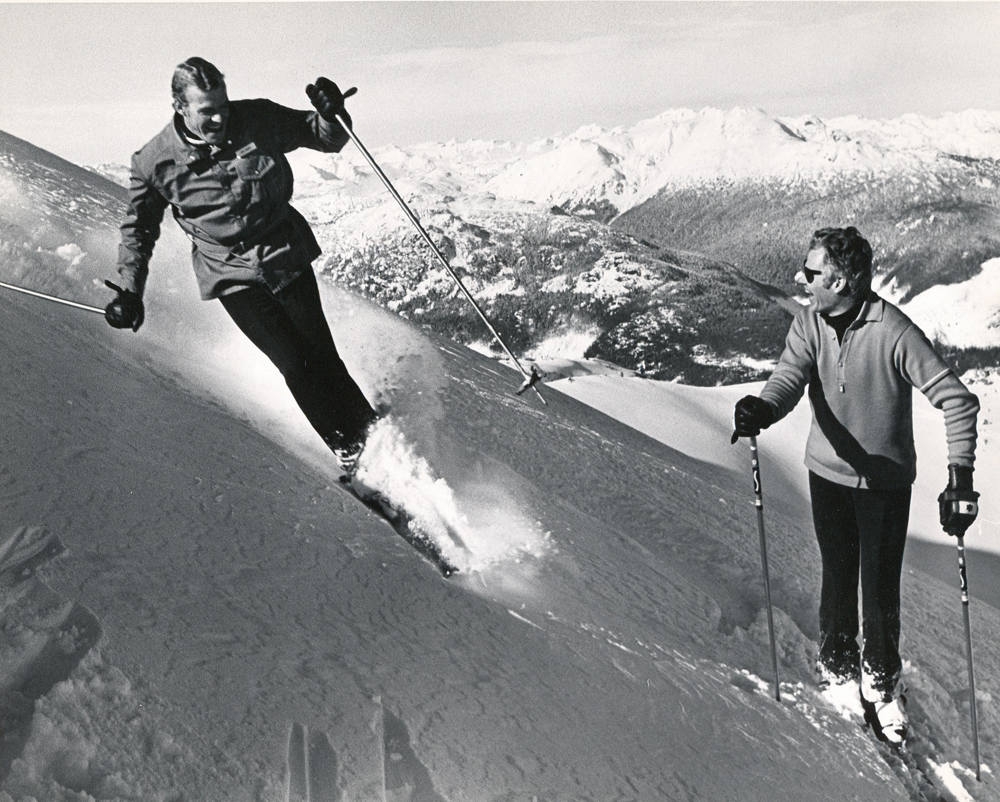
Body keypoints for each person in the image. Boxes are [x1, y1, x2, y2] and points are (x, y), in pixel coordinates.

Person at [732, 226, 980, 745]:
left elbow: (957, 400)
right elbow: (788, 378)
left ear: (842, 281)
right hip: (827, 474)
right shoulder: (808, 322)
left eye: (813, 272)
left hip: (885, 486)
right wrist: (763, 408)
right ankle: (841, 671)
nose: (803, 280)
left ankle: (883, 685)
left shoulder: (893, 331)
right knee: (838, 576)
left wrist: (960, 478)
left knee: (880, 588)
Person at [105, 57, 377, 476]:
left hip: (284, 253)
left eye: (222, 105)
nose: (218, 117)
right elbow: (138, 229)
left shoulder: (257, 118)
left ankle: (375, 439)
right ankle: (352, 453)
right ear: (180, 106)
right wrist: (129, 290)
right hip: (230, 273)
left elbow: (324, 137)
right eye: (206, 110)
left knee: (322, 357)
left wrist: (331, 113)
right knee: (294, 364)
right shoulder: (154, 162)